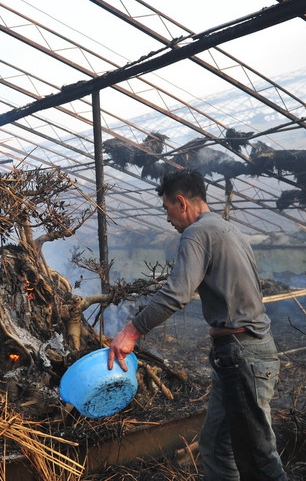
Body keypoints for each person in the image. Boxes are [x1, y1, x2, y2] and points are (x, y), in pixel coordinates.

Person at [108, 168, 287, 480]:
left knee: (259, 457)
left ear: (181, 203)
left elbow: (177, 293)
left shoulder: (196, 233)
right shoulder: (229, 230)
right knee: (217, 446)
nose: (167, 219)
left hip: (242, 355)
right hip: (242, 353)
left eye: (166, 209)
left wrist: (131, 331)